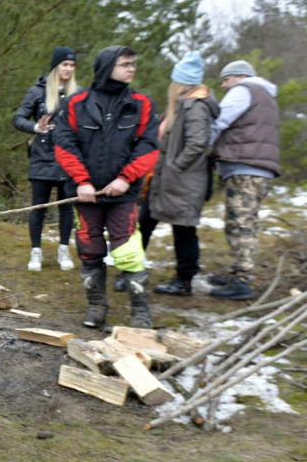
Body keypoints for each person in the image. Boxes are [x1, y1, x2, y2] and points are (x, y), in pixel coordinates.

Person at [54, 45, 160, 329]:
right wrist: (82, 181)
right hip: (84, 195)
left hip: (123, 194)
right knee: (89, 250)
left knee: (128, 250)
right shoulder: (76, 103)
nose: (132, 68)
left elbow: (149, 147)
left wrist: (126, 178)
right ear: (106, 67)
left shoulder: (142, 103)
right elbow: (64, 145)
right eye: (125, 64)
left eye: (132, 64)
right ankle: (97, 306)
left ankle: (140, 312)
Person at [144, 52, 219, 297]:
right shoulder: (182, 104)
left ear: (181, 82)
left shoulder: (196, 106)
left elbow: (198, 143)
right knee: (144, 220)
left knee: (183, 229)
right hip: (166, 178)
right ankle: (131, 270)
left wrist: (175, 166)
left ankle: (184, 281)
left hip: (184, 181)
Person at [206, 60, 280, 300]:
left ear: (239, 77)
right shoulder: (266, 96)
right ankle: (239, 272)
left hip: (245, 168)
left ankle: (242, 281)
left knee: (241, 224)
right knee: (245, 221)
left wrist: (200, 147)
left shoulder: (244, 91)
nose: (225, 86)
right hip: (257, 168)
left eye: (226, 80)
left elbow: (219, 121)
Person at [12, 46, 78, 272]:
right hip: (42, 158)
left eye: (71, 65)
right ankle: (36, 253)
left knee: (67, 208)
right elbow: (18, 118)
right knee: (38, 207)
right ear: (55, 66)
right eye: (64, 64)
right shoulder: (37, 92)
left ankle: (63, 250)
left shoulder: (78, 93)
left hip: (69, 160)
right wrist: (36, 127)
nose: (68, 69)